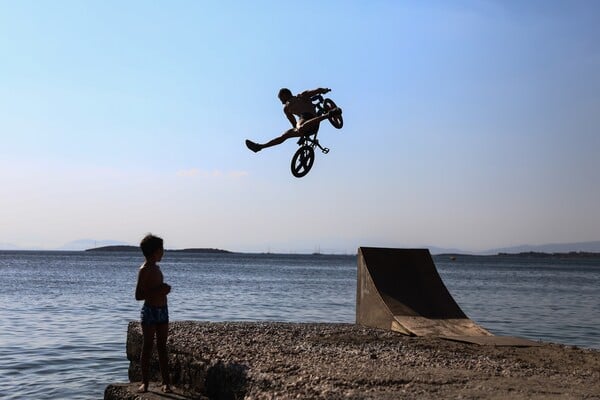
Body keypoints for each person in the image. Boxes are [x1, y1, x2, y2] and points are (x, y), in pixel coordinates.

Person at [245, 87, 341, 152]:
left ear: (285, 95)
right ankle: (259, 147)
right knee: (285, 135)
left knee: (300, 127)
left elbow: (316, 91)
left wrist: (324, 90)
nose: (282, 102)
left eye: (281, 99)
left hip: (312, 119)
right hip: (303, 123)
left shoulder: (302, 96)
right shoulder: (286, 109)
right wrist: (298, 133)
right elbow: (294, 124)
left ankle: (328, 115)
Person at [135, 234, 172, 393]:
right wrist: (160, 290)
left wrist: (163, 291)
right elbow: (138, 295)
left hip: (162, 311)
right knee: (148, 346)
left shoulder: (157, 268)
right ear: (155, 251)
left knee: (162, 347)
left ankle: (166, 383)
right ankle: (145, 382)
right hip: (150, 311)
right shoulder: (145, 270)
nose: (163, 252)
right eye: (161, 250)